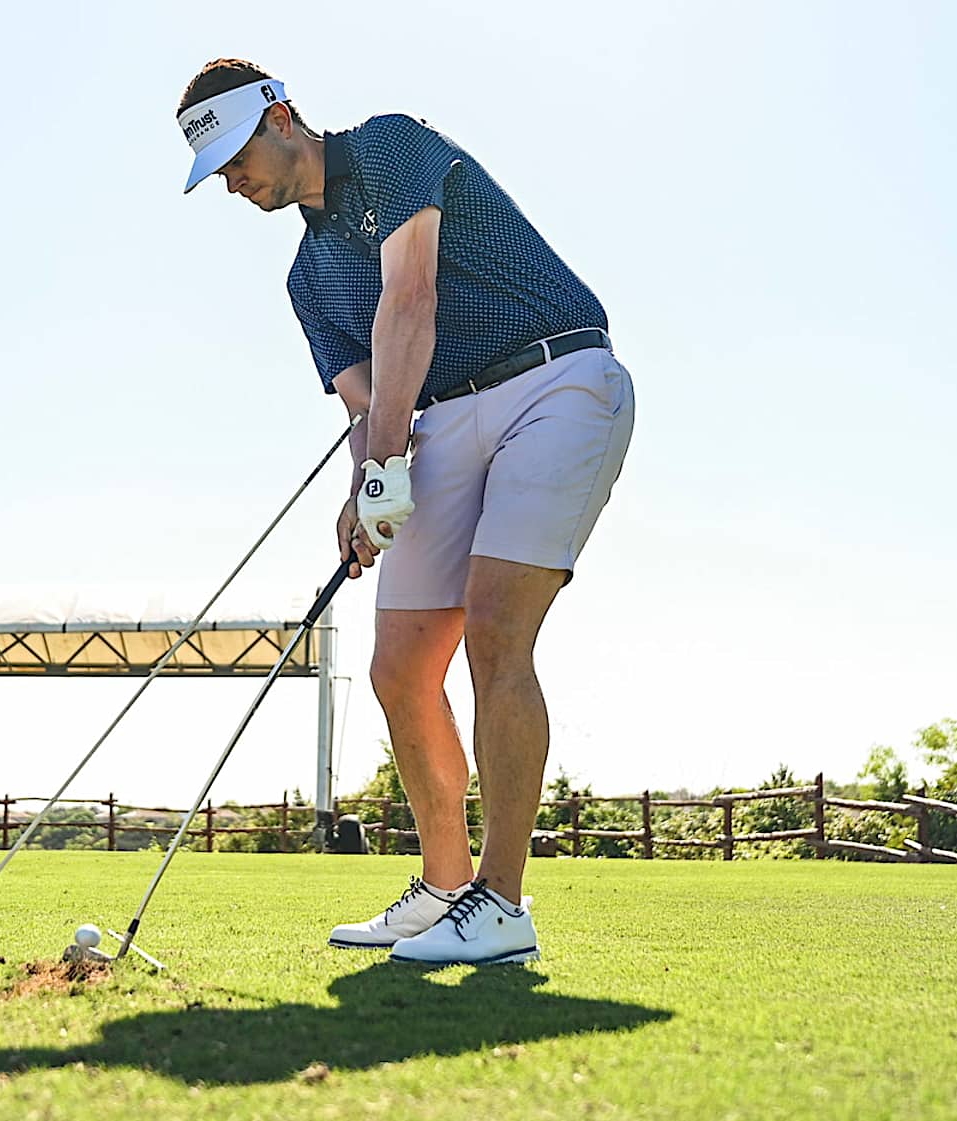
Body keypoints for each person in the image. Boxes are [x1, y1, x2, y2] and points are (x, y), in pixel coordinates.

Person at [175, 60, 635, 965]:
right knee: (398, 666)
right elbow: (363, 401)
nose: (234, 181)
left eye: (236, 155)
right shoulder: (306, 281)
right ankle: (445, 887)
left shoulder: (387, 145)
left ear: (280, 115)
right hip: (442, 420)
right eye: (219, 172)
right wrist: (364, 494)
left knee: (496, 633)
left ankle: (504, 905)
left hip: (557, 376)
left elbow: (410, 302)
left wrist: (386, 458)